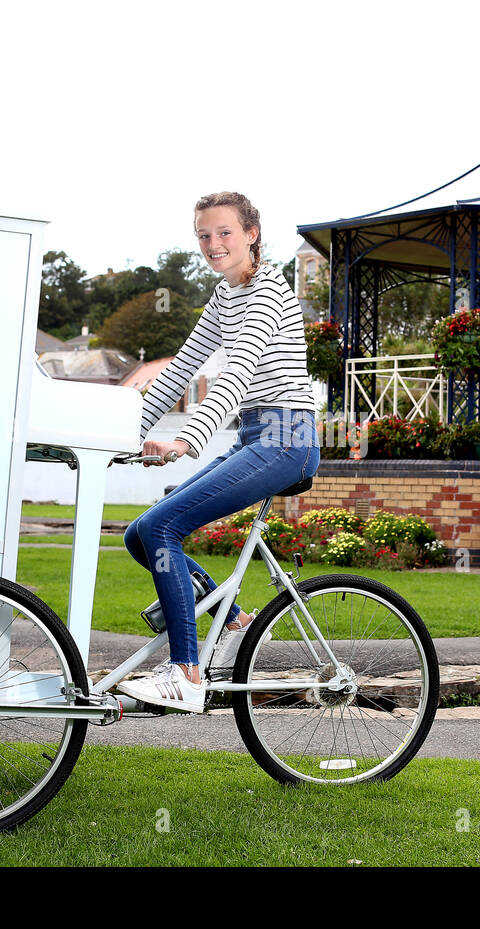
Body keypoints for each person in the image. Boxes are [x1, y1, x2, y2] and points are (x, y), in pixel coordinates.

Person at [117, 191, 320, 713]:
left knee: (164, 526)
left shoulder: (269, 290)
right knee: (141, 535)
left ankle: (185, 674)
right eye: (204, 236)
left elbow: (237, 372)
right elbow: (183, 367)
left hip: (287, 439)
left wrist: (187, 439)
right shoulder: (224, 294)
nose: (213, 244)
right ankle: (234, 621)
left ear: (252, 233)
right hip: (255, 437)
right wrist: (118, 434)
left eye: (224, 232)